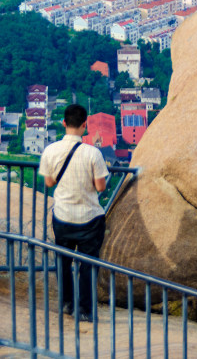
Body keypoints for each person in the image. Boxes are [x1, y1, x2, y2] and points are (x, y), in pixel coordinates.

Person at [41, 104, 109, 323]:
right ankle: (84, 309)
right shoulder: (93, 153)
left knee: (63, 261)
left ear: (63, 123)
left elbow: (49, 182)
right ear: (84, 125)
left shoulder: (50, 151)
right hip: (89, 218)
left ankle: (67, 303)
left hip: (62, 217)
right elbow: (100, 187)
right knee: (88, 265)